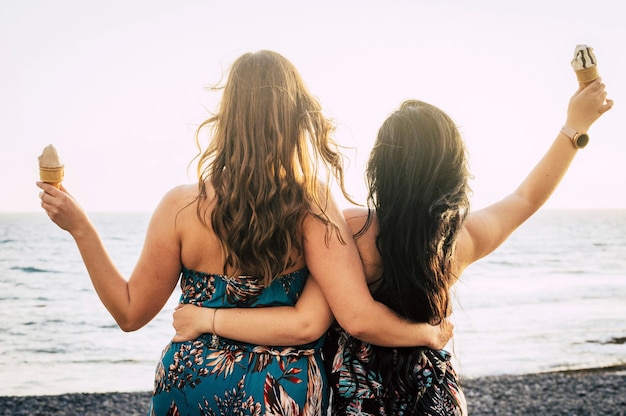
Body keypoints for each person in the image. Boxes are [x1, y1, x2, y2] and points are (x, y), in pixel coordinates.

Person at [37, 50, 451, 416]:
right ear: (296, 117)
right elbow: (333, 322)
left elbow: (129, 313)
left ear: (227, 117)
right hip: (277, 392)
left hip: (190, 384)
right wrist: (427, 333)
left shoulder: (179, 207)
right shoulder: (312, 205)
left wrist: (82, 230)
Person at [170, 77, 612, 415]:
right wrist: (576, 126)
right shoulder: (459, 240)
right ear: (454, 174)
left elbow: (321, 315)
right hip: (435, 394)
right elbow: (526, 198)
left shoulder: (349, 232)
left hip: (360, 399)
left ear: (379, 167)